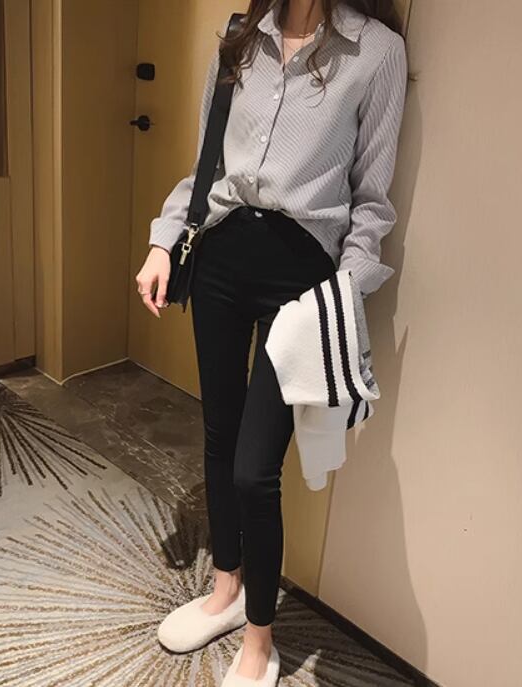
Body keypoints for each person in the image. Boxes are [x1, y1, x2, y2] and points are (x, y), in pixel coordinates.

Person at [135, 0, 408, 684]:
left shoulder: (374, 52)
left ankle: (260, 640)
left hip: (302, 275)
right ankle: (226, 589)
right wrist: (164, 241)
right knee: (219, 434)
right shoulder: (239, 40)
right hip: (221, 259)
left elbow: (371, 201)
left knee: (255, 469)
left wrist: (343, 294)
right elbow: (206, 167)